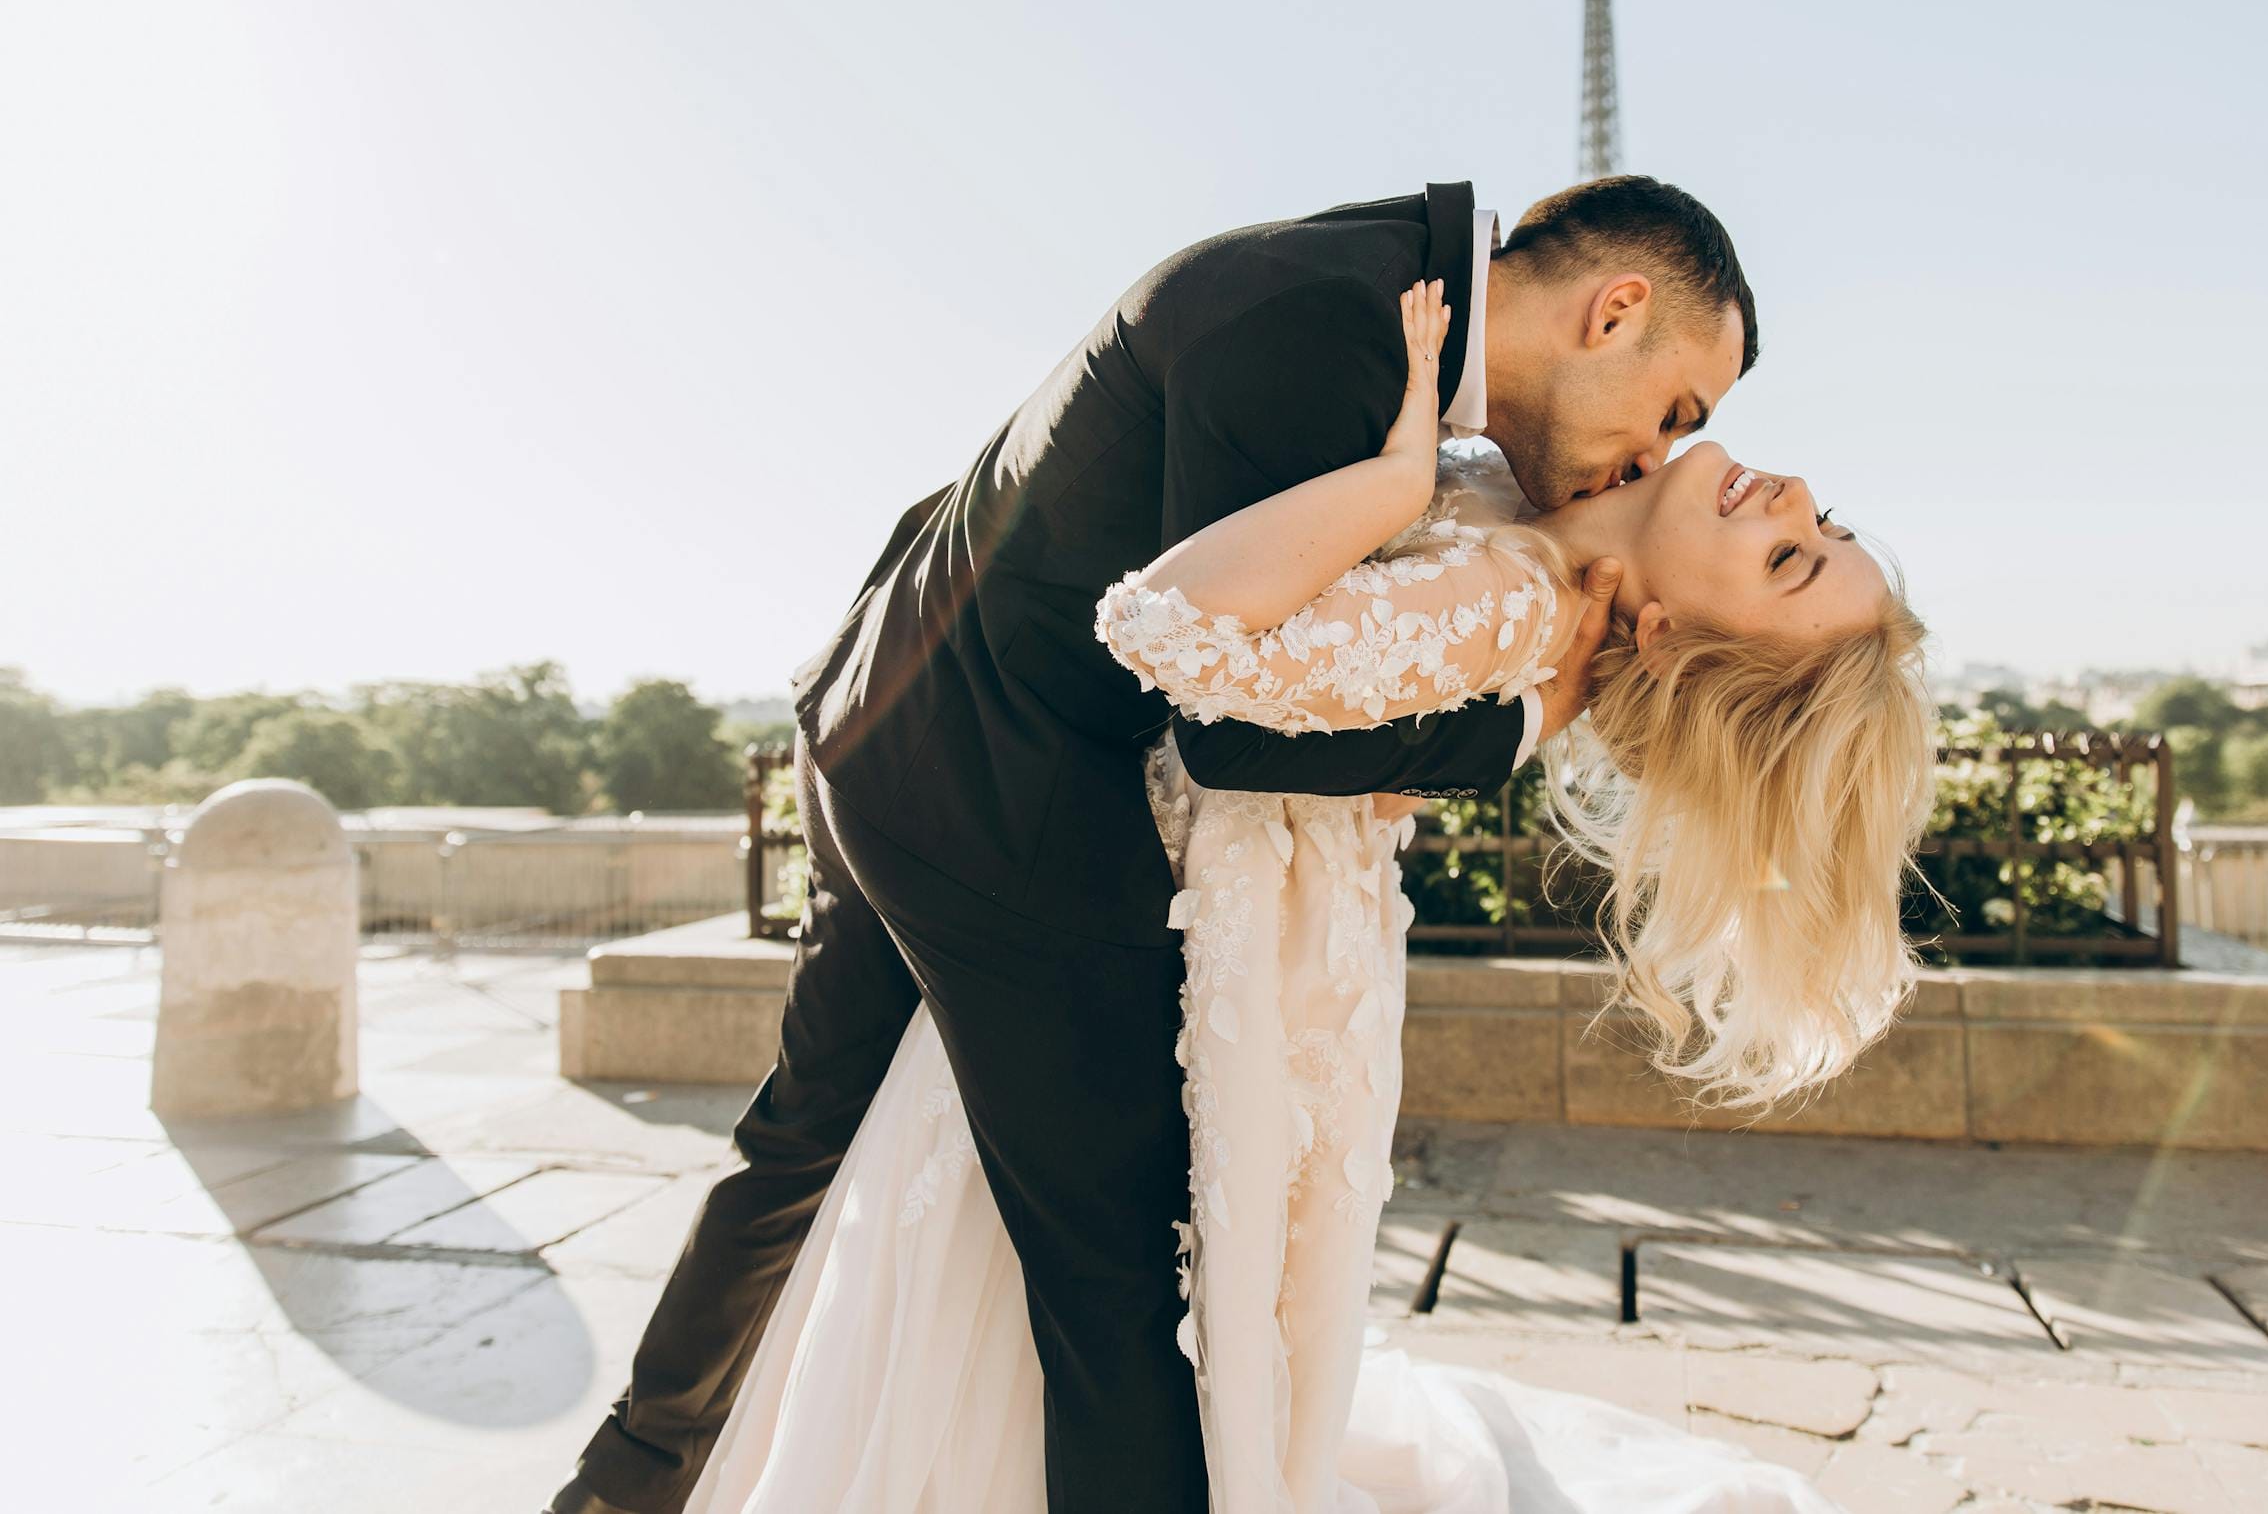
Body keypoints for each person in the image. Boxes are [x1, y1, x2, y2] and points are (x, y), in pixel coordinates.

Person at [547, 177, 1814, 1514]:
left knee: (800, 1139)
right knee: (1117, 1275)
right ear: (1614, 310)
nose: (1657, 456)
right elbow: (1229, 723)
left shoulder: (1364, 286)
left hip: (891, 705)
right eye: (1675, 409)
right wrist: (1517, 722)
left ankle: (620, 1489)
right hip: (1000, 791)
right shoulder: (1336, 332)